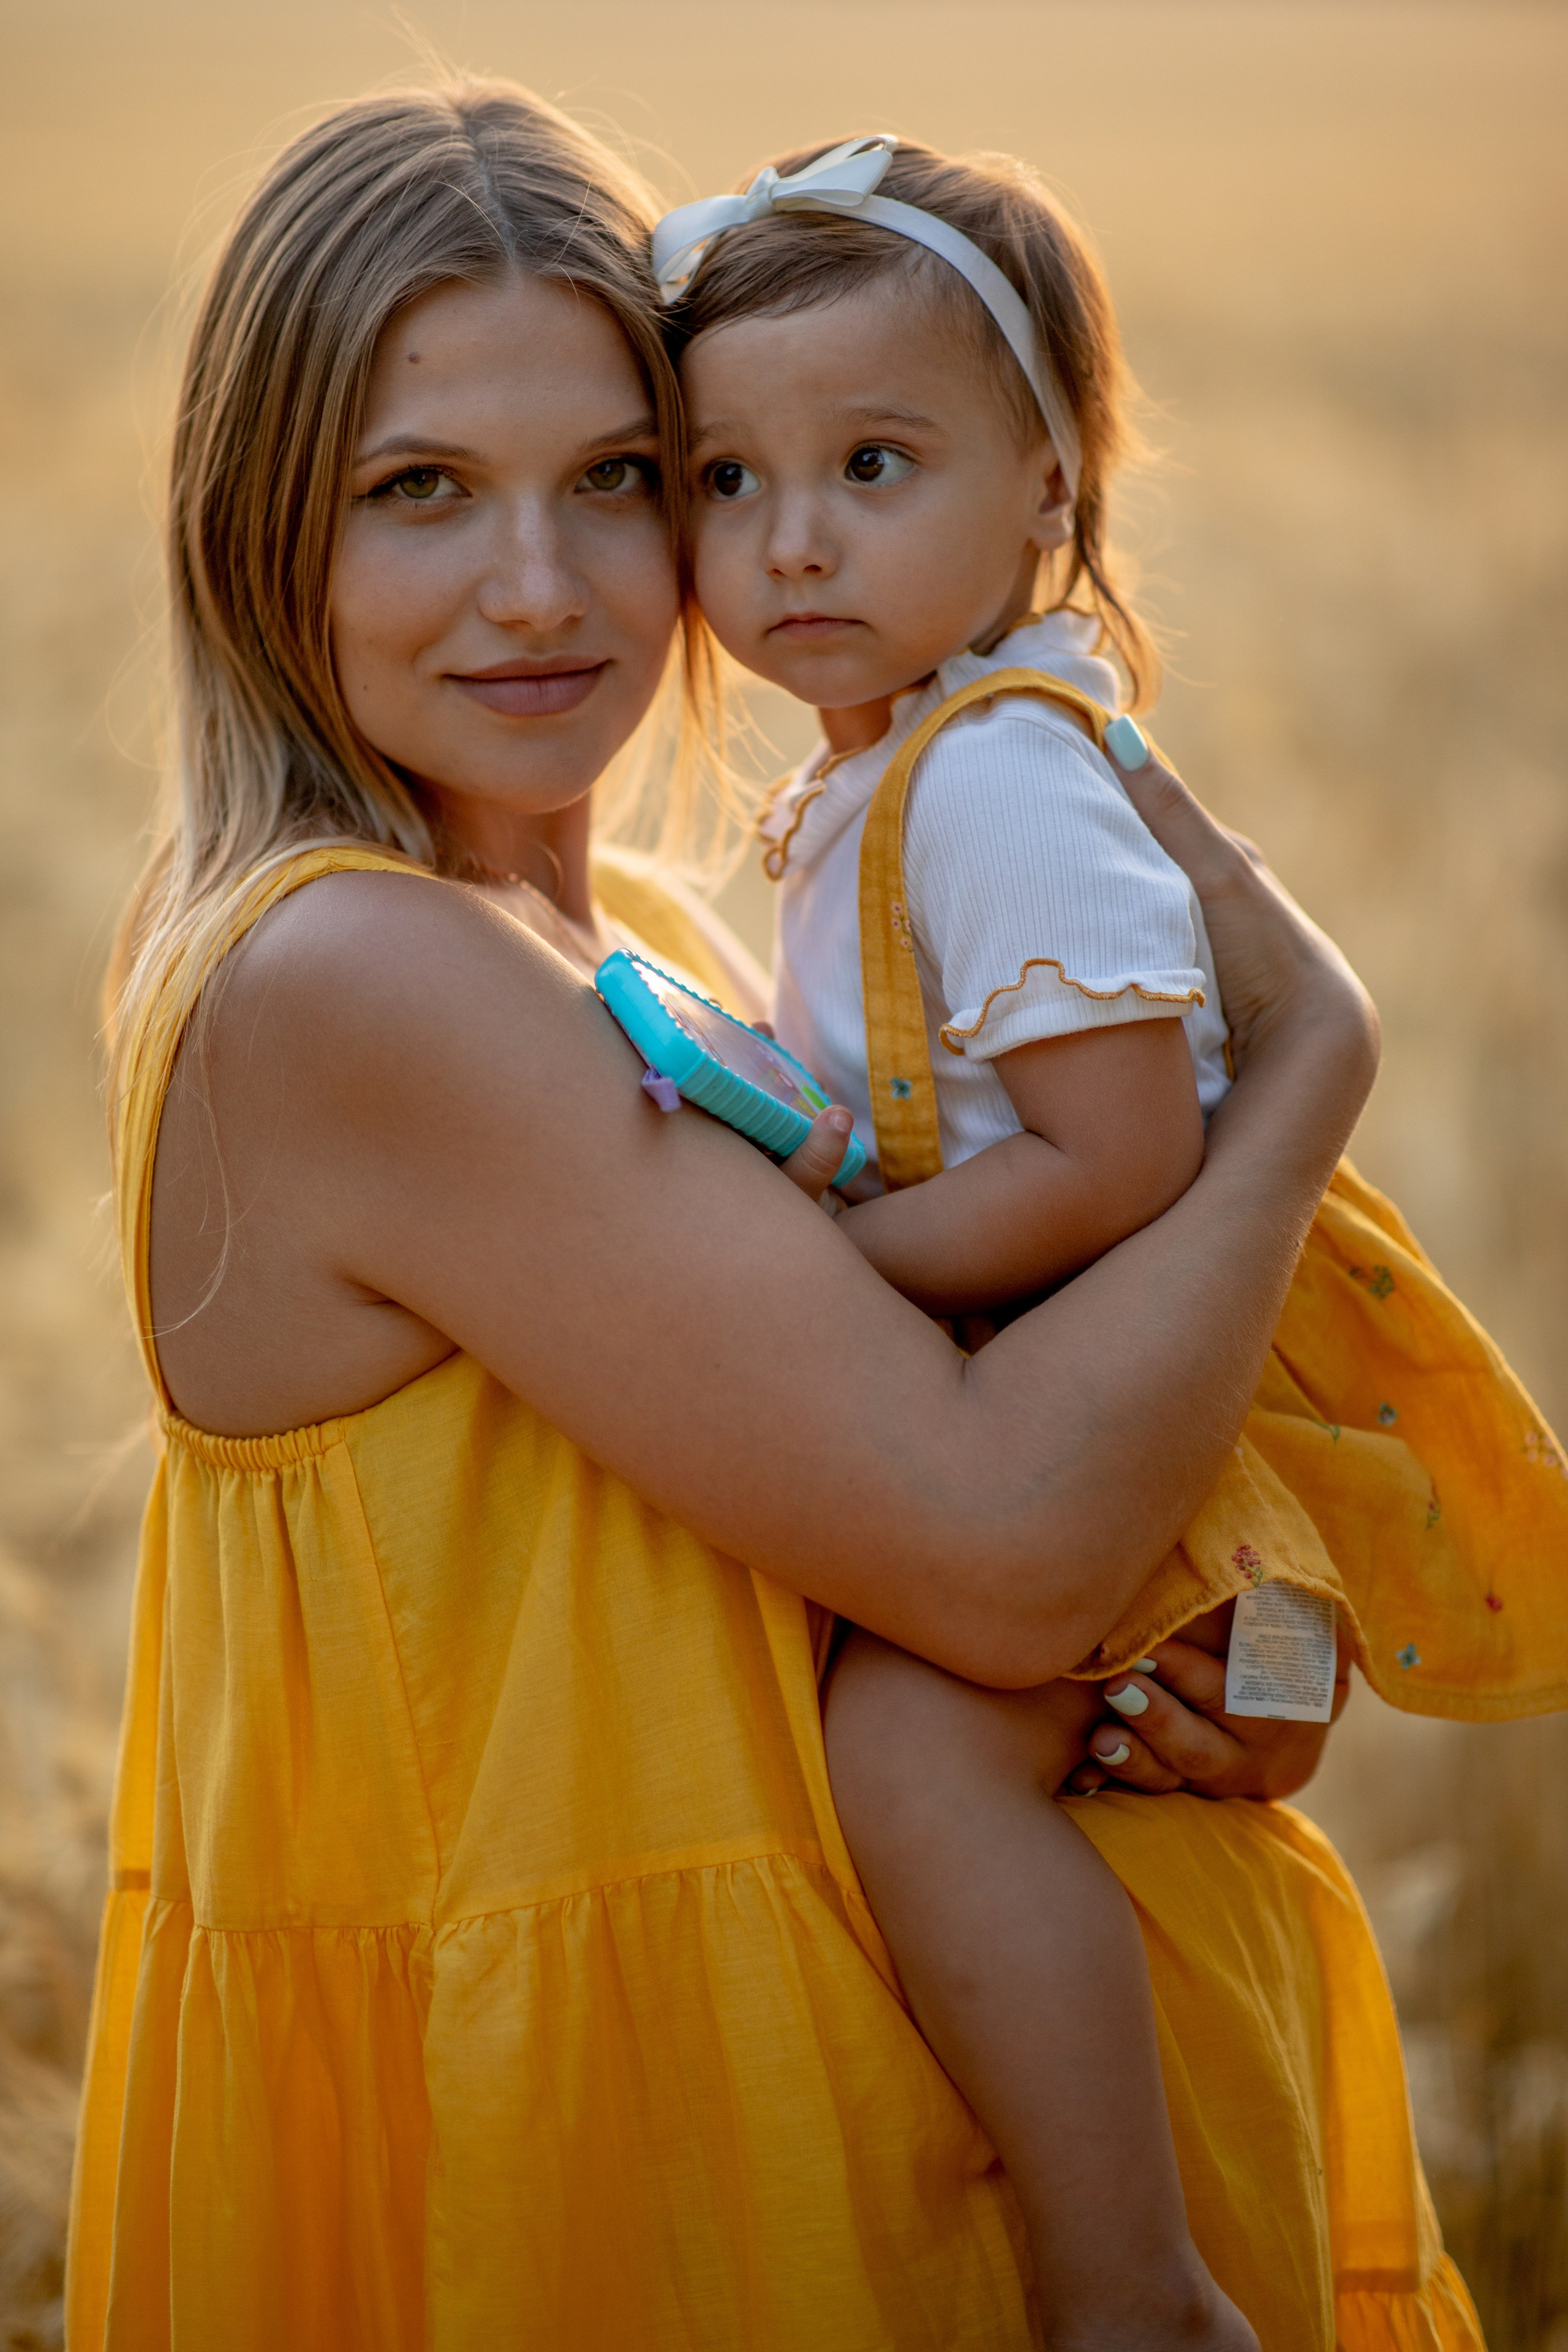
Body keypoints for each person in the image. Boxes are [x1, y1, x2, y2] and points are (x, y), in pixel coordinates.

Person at [69, 79, 1484, 2352]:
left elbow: (960, 1545)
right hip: (634, 2166)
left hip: (866, 2109)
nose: (542, 589)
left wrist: (1199, 1674)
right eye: (417, 492)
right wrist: (1306, 1074)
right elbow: (1001, 1543)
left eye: (620, 484)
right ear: (259, 537)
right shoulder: (362, 978)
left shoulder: (645, 954)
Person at [667, 130, 1567, 2343]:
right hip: (1047, 1373)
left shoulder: (995, 781)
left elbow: (1118, 1161)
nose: (790, 544)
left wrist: (819, 1269)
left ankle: (1128, 2278)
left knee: (912, 1757)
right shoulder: (889, 768)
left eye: (875, 464)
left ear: (1050, 484)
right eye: (719, 479)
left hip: (1113, 1393)